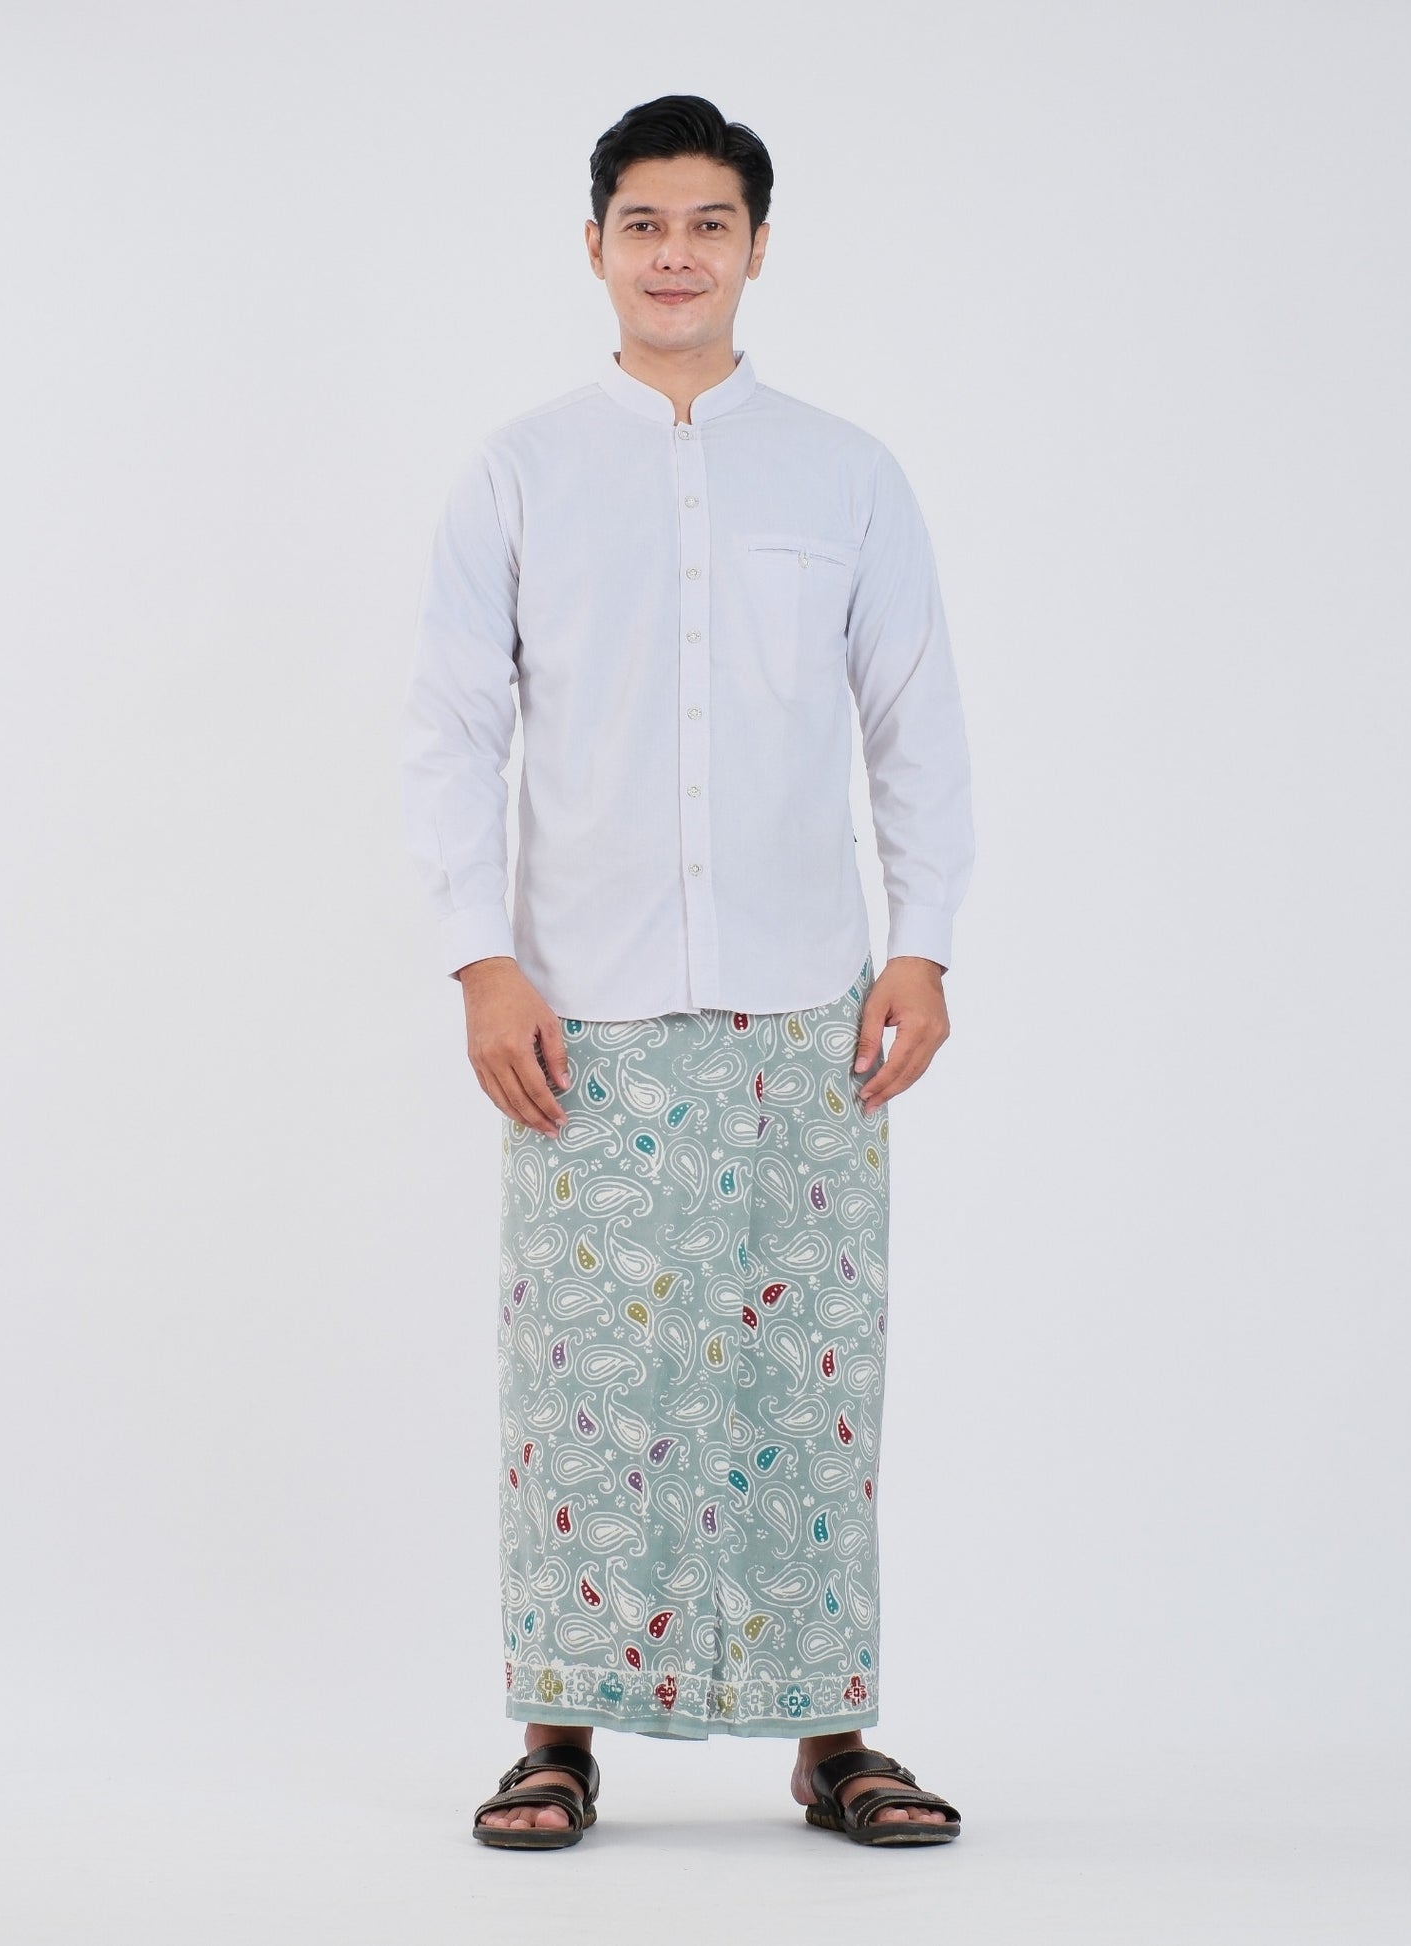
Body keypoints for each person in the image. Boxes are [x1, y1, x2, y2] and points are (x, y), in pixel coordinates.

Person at [400, 93, 974, 1849]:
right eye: (642, 222)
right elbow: (452, 727)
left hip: (808, 1005)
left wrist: (923, 942)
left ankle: (832, 1734)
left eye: (707, 223)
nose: (674, 253)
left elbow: (914, 719)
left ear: (756, 247)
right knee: (582, 1382)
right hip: (584, 1008)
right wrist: (480, 959)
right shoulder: (517, 472)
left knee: (806, 1373)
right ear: (593, 245)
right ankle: (555, 1732)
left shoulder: (844, 472)